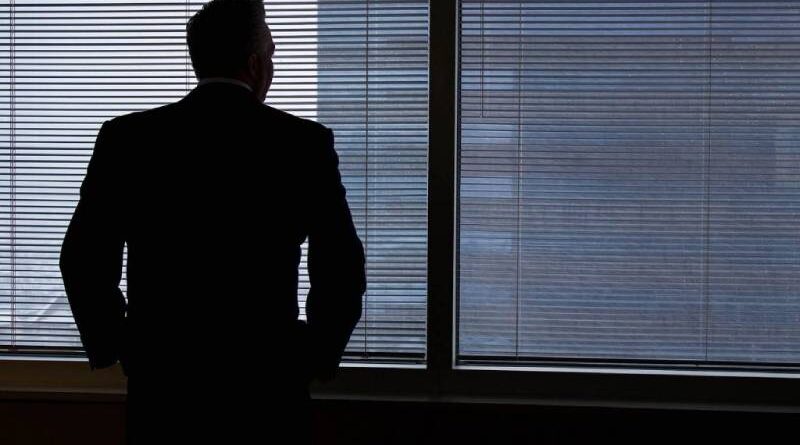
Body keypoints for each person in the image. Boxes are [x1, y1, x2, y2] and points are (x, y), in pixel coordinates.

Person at [59, 0, 365, 442]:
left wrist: (120, 346)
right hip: (267, 388)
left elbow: (82, 259)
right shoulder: (302, 145)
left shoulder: (128, 141)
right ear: (255, 64)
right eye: (272, 54)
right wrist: (316, 355)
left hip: (164, 389)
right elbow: (342, 267)